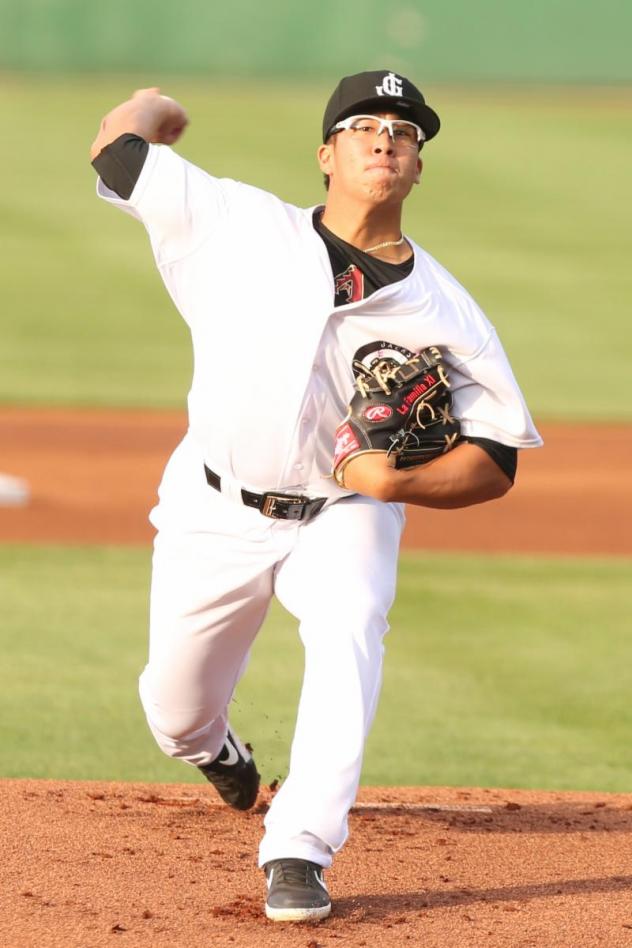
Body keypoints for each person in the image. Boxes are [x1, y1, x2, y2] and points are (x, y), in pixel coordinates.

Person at [90, 70, 542, 923]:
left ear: (417, 168)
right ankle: (215, 747)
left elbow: (496, 460)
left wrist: (397, 482)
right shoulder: (234, 225)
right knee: (173, 713)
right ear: (327, 154)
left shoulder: (448, 311)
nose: (385, 140)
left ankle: (299, 845)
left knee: (349, 625)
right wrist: (155, 107)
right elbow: (119, 152)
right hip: (211, 507)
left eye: (405, 134)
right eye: (366, 125)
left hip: (345, 514)